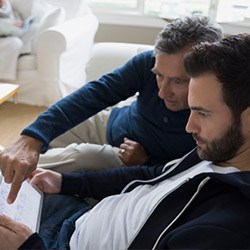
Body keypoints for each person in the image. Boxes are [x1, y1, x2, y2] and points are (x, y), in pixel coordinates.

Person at [1, 33, 250, 249]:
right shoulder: (218, 149)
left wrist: (28, 247)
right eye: (159, 76)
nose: (189, 126)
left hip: (60, 242)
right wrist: (65, 180)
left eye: (203, 113)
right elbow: (155, 175)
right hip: (80, 216)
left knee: (80, 156)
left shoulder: (227, 225)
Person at [0, 15, 223, 204]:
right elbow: (95, 94)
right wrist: (32, 137)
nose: (162, 92)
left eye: (178, 81)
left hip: (133, 159)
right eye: (159, 76)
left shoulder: (217, 118)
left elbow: (174, 175)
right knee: (39, 131)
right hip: (114, 121)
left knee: (80, 156)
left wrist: (147, 162)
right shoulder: (148, 62)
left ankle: (6, 174)